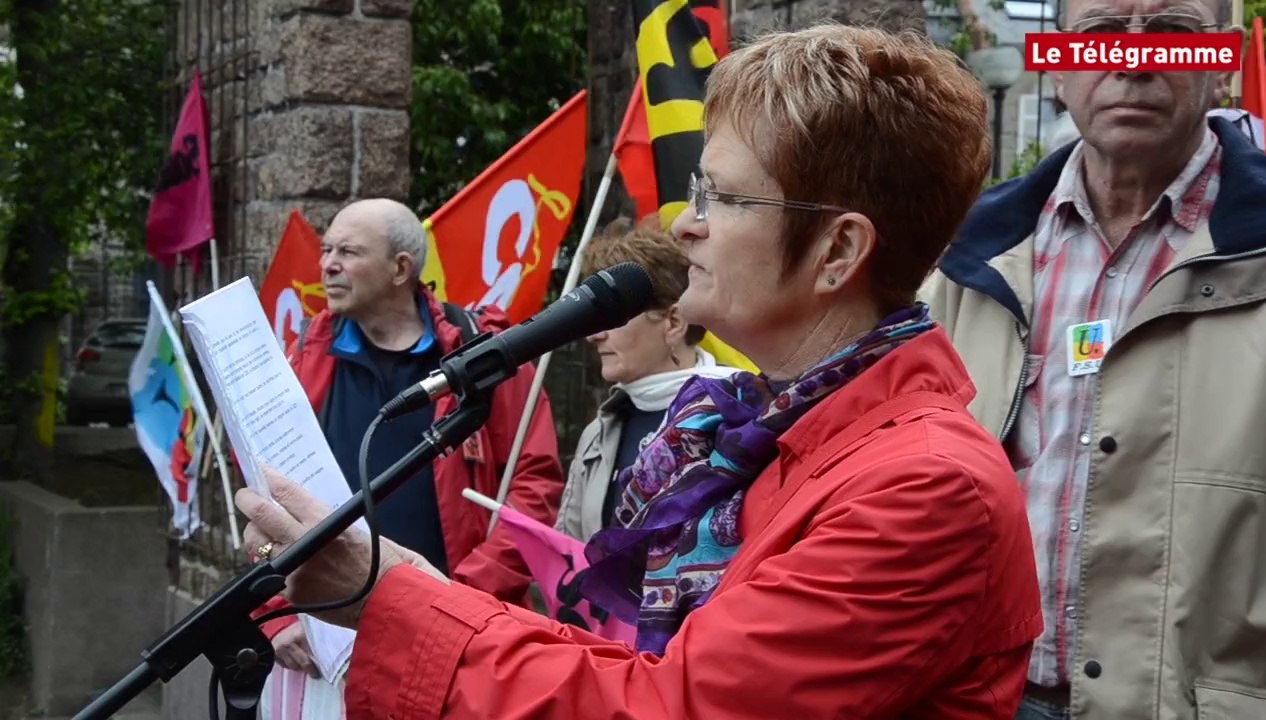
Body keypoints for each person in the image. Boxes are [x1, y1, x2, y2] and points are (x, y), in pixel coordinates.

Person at [237, 26, 1043, 718]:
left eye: (722, 198)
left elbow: (668, 706)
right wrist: (414, 585)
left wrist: (389, 600)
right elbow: (629, 665)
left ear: (838, 251)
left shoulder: (926, 489)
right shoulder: (755, 437)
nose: (684, 225)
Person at [919, 0, 1266, 716]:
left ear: (1224, 60)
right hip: (979, 700)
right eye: (1101, 34)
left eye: (1174, 35)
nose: (1134, 59)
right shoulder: (965, 262)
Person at [253, 199, 565, 702]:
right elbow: (263, 492)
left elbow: (533, 489)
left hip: (455, 637)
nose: (327, 263)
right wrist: (273, 613)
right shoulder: (302, 356)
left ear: (401, 268)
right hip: (320, 644)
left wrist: (452, 601)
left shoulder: (484, 357)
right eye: (327, 248)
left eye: (349, 251)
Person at [554, 214, 739, 542]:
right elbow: (568, 547)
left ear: (673, 323)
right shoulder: (597, 433)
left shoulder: (738, 415)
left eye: (610, 318)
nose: (593, 336)